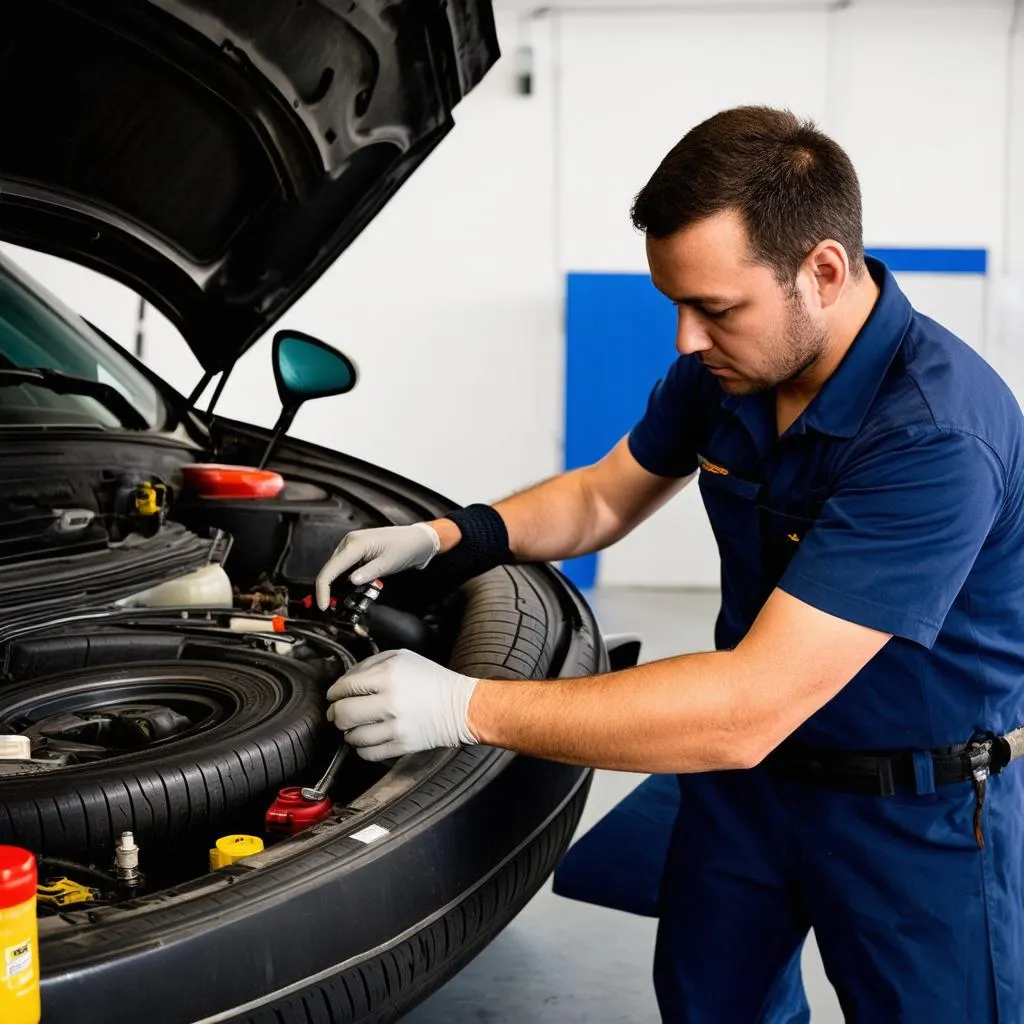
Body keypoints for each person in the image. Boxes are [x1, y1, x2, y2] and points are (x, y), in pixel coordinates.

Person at [315, 106, 1024, 1023]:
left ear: (823, 270)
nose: (686, 340)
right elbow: (603, 497)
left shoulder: (934, 433)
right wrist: (451, 536)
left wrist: (461, 706)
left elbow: (745, 708)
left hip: (911, 813)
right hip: (750, 796)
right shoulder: (730, 371)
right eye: (676, 306)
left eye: (716, 309)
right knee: (710, 1006)